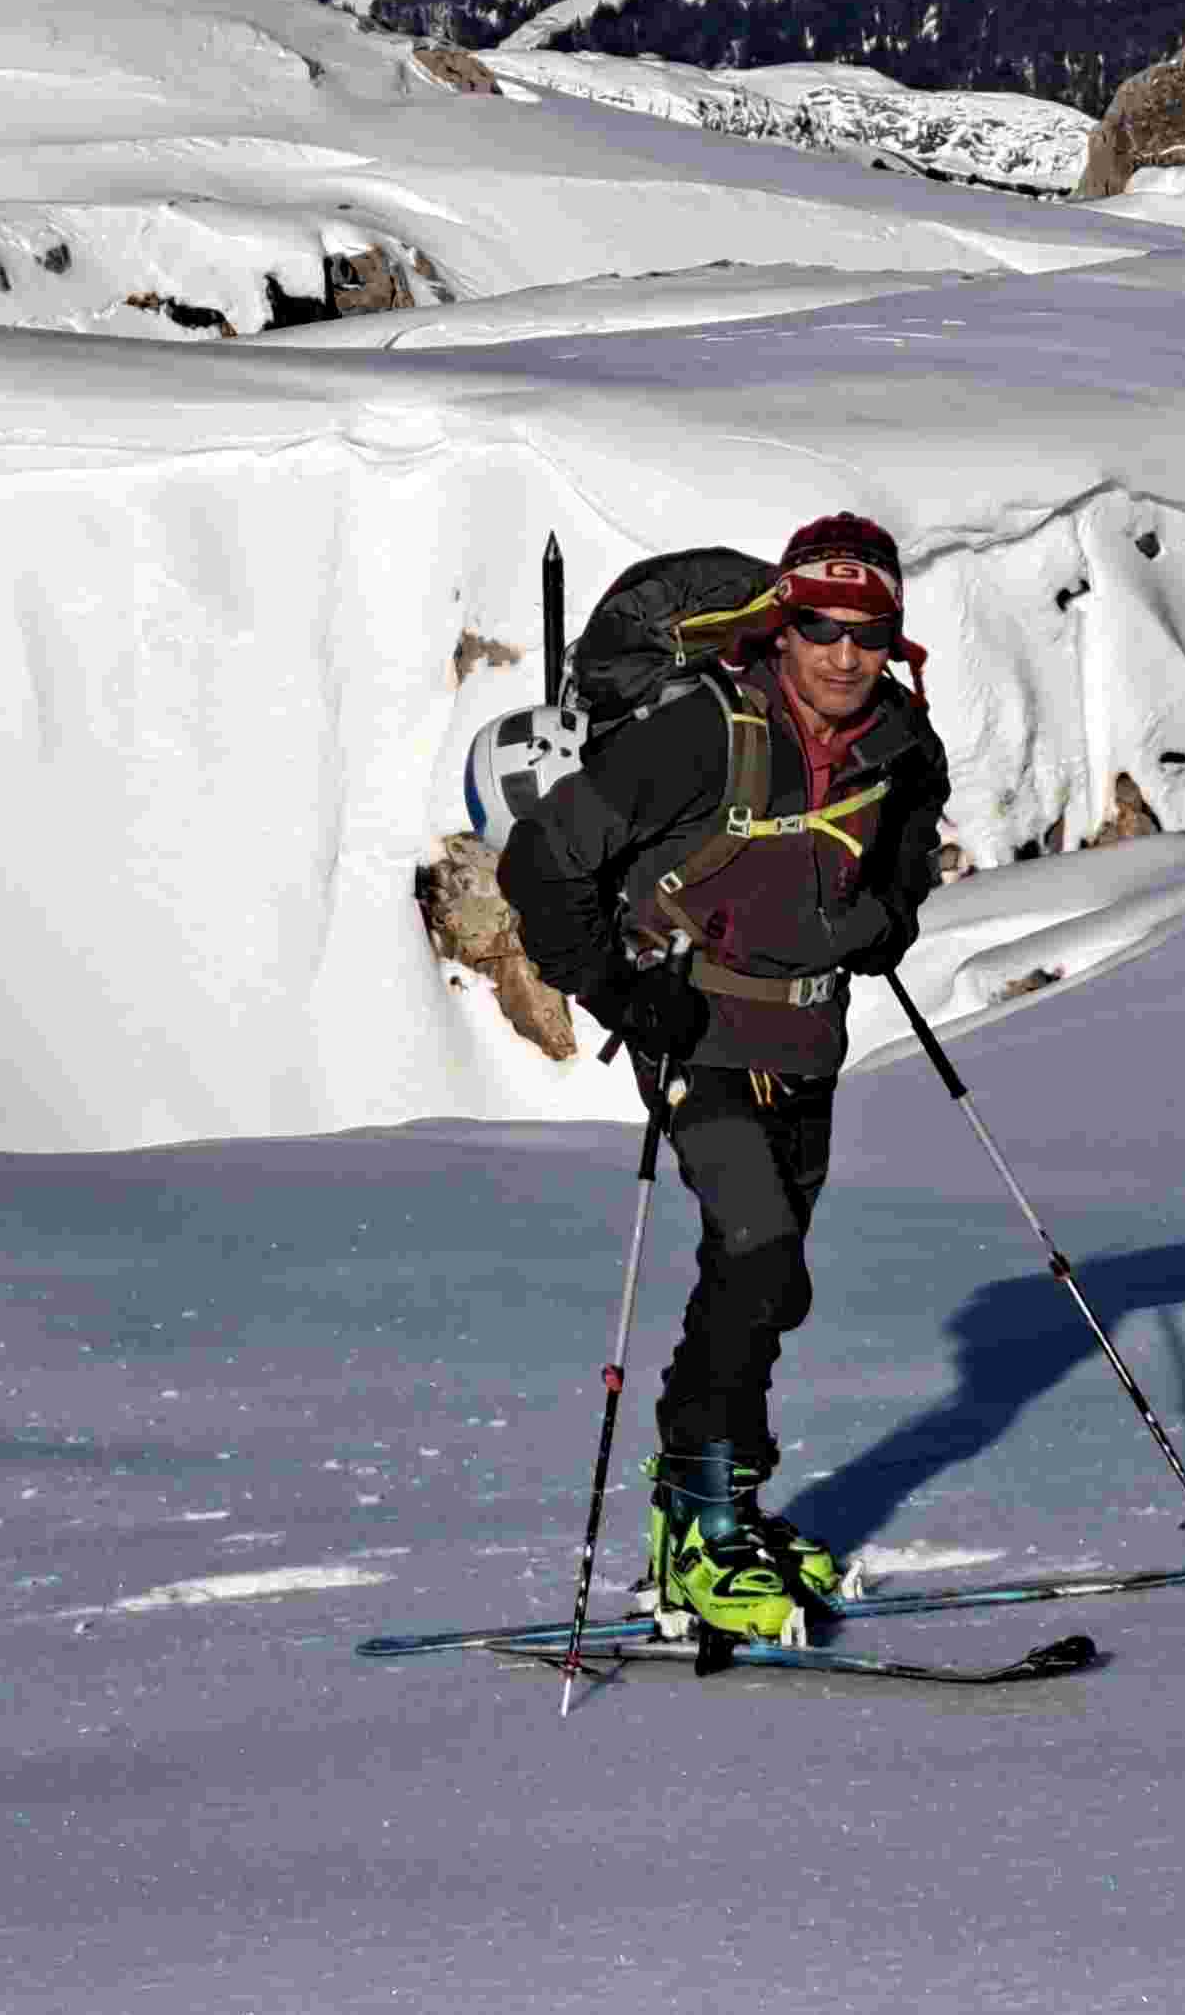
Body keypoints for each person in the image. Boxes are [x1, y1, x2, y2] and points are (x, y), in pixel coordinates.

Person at [501, 510, 951, 1637]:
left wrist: (887, 916)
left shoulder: (899, 736)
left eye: (866, 632)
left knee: (770, 1283)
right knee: (754, 1257)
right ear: (780, 626)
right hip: (693, 1031)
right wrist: (617, 993)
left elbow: (911, 834)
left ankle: (715, 1512)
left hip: (807, 1042)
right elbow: (542, 861)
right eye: (820, 629)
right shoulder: (702, 731)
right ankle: (700, 1530)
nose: (843, 655)